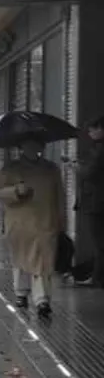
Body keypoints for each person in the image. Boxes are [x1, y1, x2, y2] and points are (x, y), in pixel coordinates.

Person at [0, 139, 64, 317]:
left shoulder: (51, 169)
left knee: (43, 262)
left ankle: (42, 299)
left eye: (36, 145)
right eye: (28, 145)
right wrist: (16, 191)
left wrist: (61, 220)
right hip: (19, 223)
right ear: (21, 147)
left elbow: (60, 196)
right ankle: (21, 292)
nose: (33, 148)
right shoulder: (10, 169)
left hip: (45, 221)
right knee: (21, 259)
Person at [79, 116, 104, 286]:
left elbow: (90, 173)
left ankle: (98, 278)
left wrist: (77, 168)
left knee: (99, 242)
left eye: (92, 129)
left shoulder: (100, 149)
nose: (89, 132)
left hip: (97, 203)